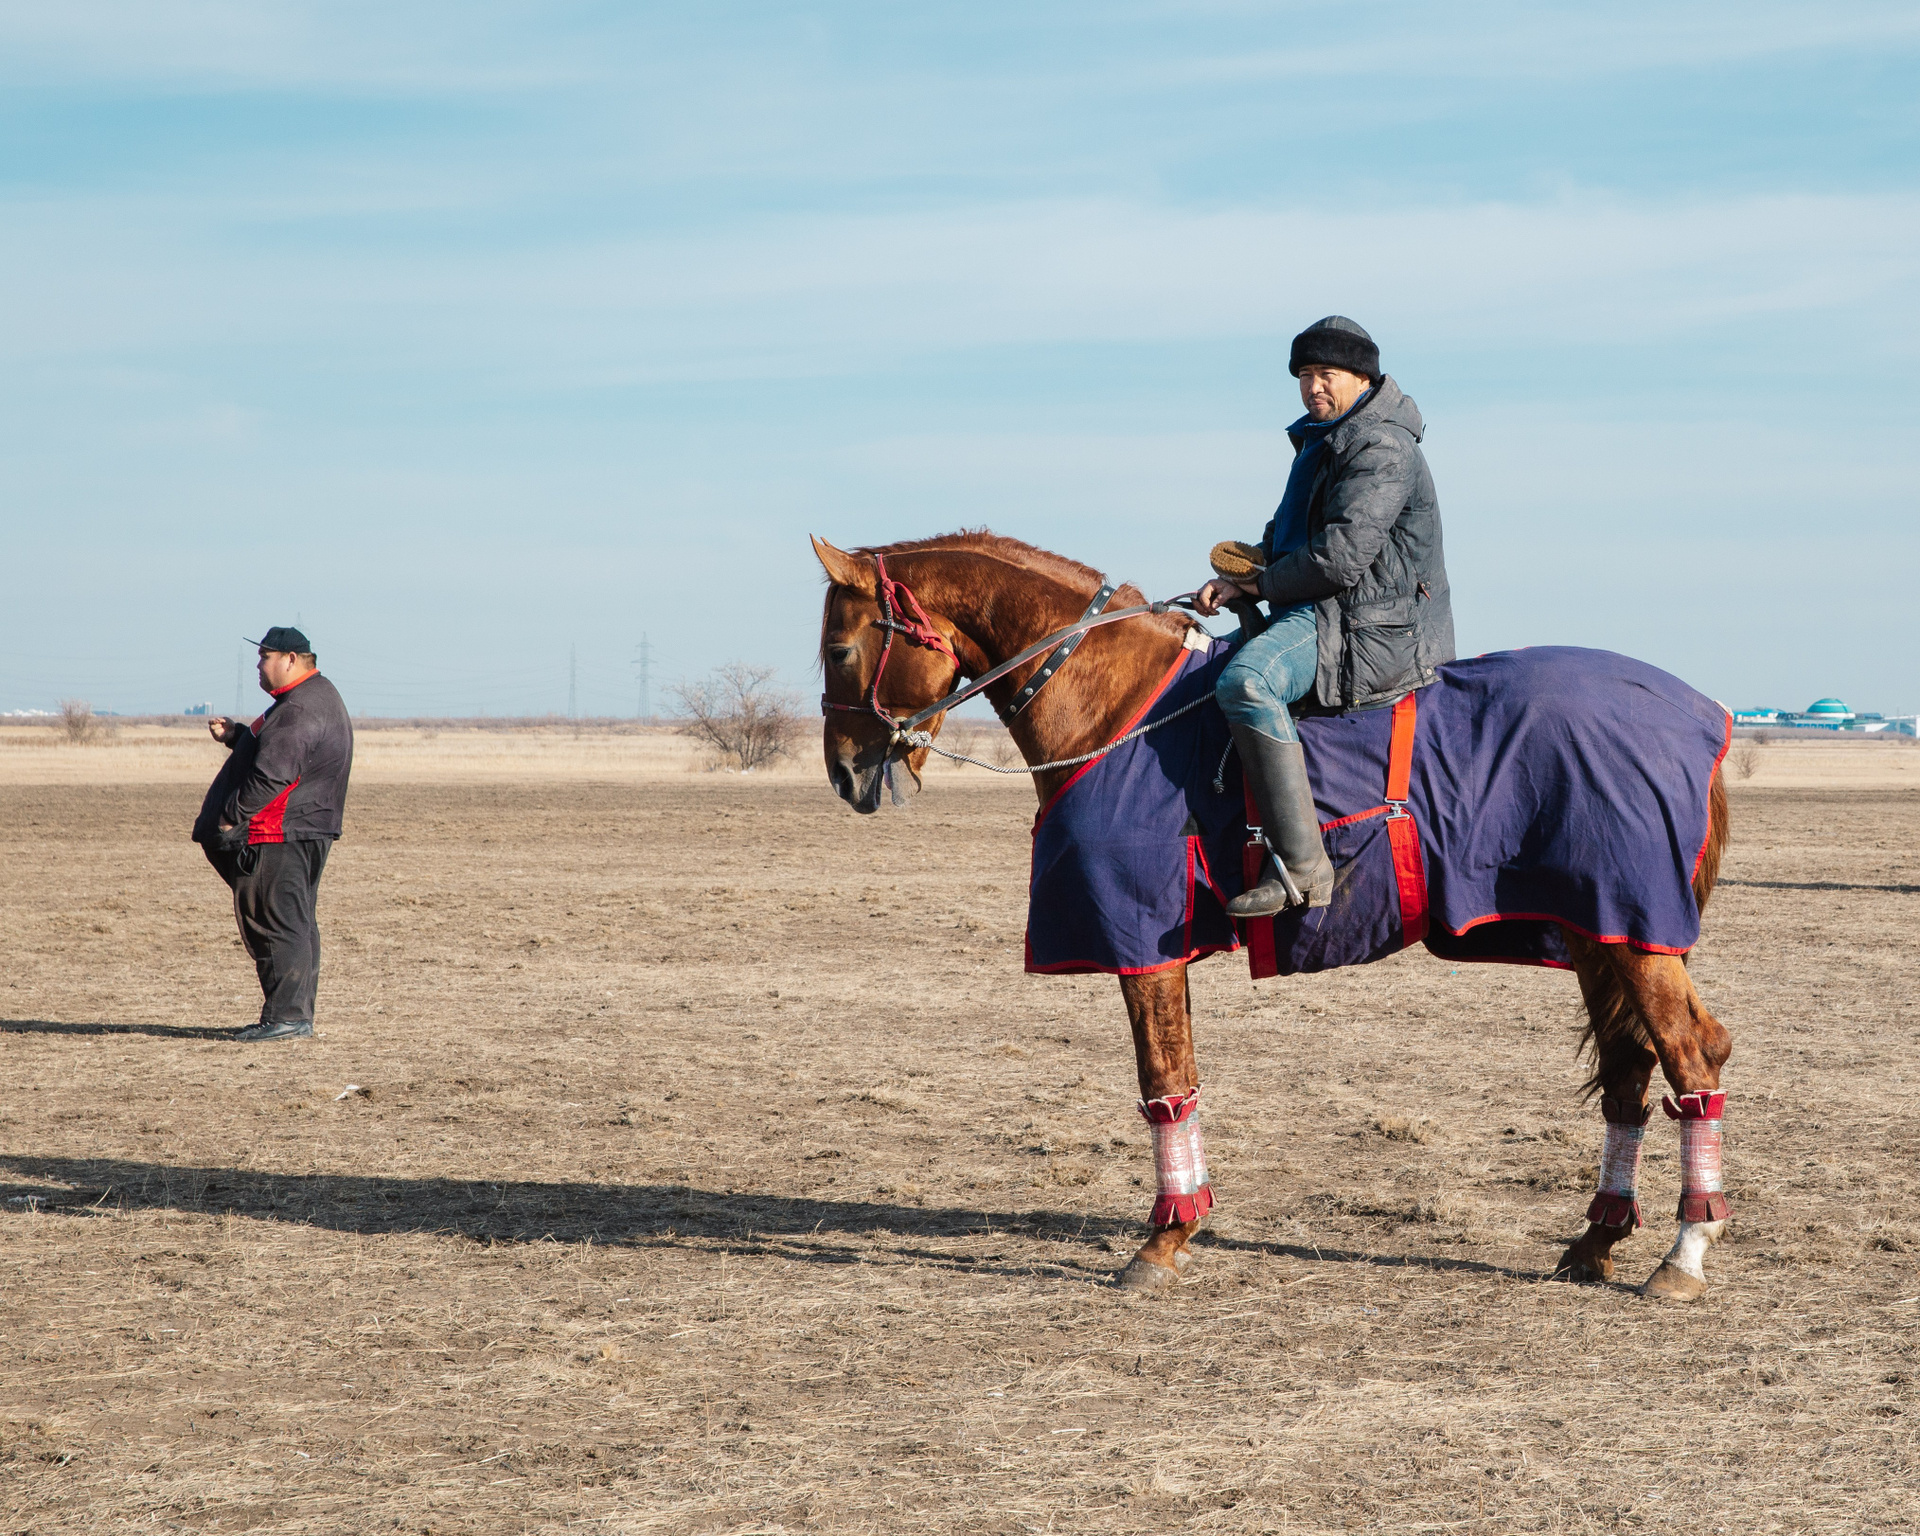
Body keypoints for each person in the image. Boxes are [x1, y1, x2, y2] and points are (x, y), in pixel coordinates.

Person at [1195, 316, 1454, 917]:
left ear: (1362, 378)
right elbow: (1291, 533)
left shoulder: (1381, 446)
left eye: (1326, 374)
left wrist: (1262, 584)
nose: (1313, 386)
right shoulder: (1325, 438)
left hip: (1361, 625)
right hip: (1322, 607)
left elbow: (1340, 557)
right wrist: (1242, 577)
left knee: (1246, 682)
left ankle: (1305, 867)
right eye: (1305, 374)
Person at [191, 626, 354, 1041]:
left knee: (277, 922)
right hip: (299, 829)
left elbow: (273, 776)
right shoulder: (310, 698)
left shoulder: (299, 709)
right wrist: (238, 736)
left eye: (265, 656)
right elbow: (278, 754)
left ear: (291, 659)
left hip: (278, 832)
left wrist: (229, 818)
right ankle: (292, 1016)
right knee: (294, 921)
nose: (259, 665)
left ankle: (287, 1018)